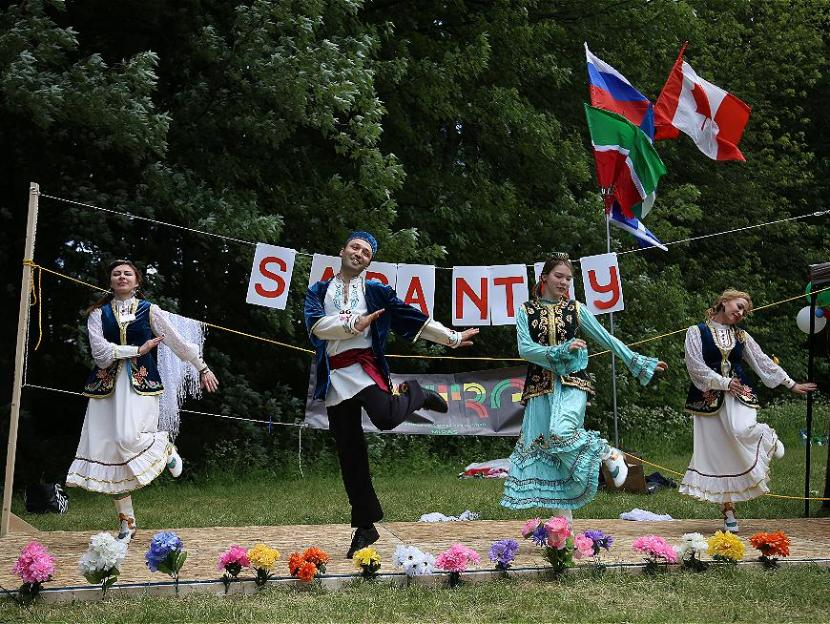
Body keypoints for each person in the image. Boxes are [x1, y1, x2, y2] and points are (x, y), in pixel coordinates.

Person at [305, 231, 479, 558]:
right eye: (355, 247)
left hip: (364, 367)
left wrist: (453, 338)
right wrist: (353, 324)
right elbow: (315, 326)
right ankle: (365, 525)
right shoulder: (318, 290)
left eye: (366, 252)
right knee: (349, 453)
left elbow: (413, 320)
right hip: (335, 375)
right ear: (342, 250)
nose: (359, 253)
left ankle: (415, 392)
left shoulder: (376, 291)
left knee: (385, 417)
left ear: (370, 261)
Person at [500, 253, 667, 522]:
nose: (565, 282)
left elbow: (607, 339)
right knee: (548, 454)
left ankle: (607, 453)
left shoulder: (576, 309)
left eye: (568, 278)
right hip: (541, 387)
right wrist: (561, 348)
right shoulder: (526, 311)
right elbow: (526, 349)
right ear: (543, 277)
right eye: (559, 276)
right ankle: (563, 533)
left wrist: (638, 361)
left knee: (561, 432)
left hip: (573, 383)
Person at [66, 260, 219, 541]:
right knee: (107, 452)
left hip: (140, 384)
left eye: (127, 273)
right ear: (110, 281)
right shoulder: (98, 315)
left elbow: (177, 343)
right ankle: (127, 521)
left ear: (137, 281)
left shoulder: (151, 311)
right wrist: (138, 348)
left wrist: (202, 368)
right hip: (105, 389)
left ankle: (165, 450)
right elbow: (100, 354)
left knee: (128, 437)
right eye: (116, 273)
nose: (121, 276)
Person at [679, 289, 816, 532]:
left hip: (740, 394)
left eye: (744, 310)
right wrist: (722, 382)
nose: (741, 313)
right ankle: (729, 512)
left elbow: (762, 361)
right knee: (718, 454)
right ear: (724, 302)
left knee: (744, 429)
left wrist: (791, 384)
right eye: (739, 306)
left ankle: (768, 437)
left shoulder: (741, 336)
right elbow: (695, 366)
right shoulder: (696, 331)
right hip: (708, 398)